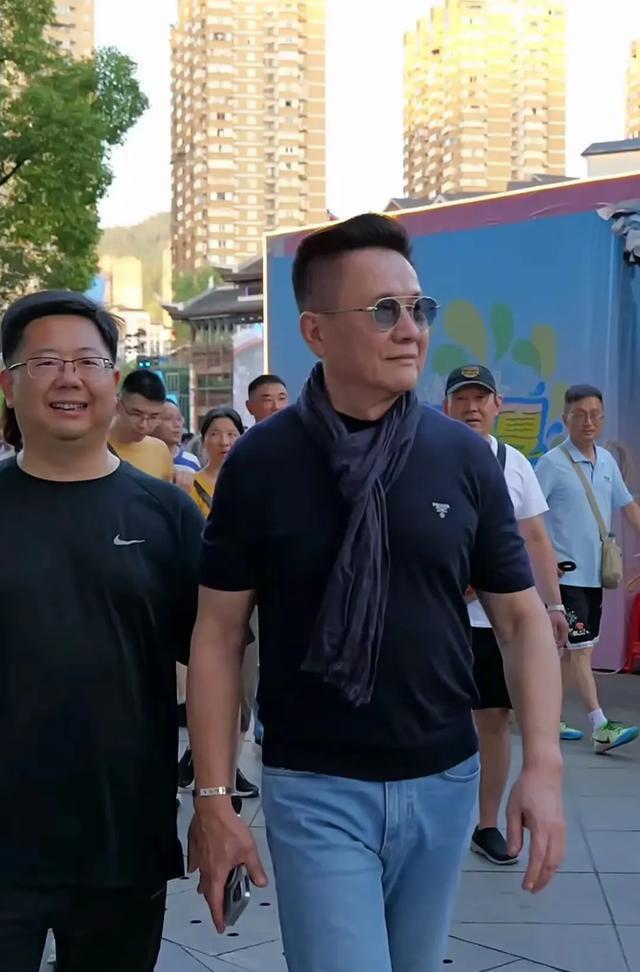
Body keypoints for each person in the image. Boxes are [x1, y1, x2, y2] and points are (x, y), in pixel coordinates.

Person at [186, 214, 565, 972]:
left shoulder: (462, 457)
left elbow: (521, 621)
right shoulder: (261, 464)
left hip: (444, 778)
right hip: (315, 784)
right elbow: (219, 635)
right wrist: (214, 797)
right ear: (316, 331)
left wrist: (544, 766)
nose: (410, 330)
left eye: (419, 309)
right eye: (383, 310)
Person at [0, 290, 203, 972]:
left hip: (122, 838)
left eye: (87, 362)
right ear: (8, 384)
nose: (70, 379)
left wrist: (215, 802)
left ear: (112, 381)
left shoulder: (168, 516)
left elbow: (212, 664)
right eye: (45, 362)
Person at [444, 364, 569, 866]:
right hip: (439, 619)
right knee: (434, 719)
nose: (471, 407)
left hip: (494, 624)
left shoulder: (514, 464)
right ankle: (430, 821)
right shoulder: (427, 456)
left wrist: (554, 605)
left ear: (497, 405)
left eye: (481, 398)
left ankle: (488, 823)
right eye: (462, 398)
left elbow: (536, 537)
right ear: (446, 407)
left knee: (494, 721)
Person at [536, 384, 640, 753]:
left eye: (595, 414)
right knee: (581, 651)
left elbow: (628, 507)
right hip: (565, 576)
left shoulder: (607, 462)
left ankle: (546, 718)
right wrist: (546, 558)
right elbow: (530, 516)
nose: (588, 421)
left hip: (596, 576)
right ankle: (600, 726)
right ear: (565, 419)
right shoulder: (551, 464)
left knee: (573, 651)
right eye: (580, 415)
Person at [180, 405, 259, 801]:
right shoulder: (185, 485)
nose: (224, 442)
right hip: (202, 599)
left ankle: (227, 768)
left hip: (250, 601)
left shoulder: (254, 485)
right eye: (215, 433)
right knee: (209, 687)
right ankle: (210, 772)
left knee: (243, 693)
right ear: (203, 438)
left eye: (231, 434)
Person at [109, 369, 174, 481]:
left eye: (153, 417)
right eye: (136, 414)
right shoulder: (93, 447)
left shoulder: (160, 450)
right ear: (118, 405)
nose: (144, 425)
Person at [155, 399, 200, 472]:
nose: (177, 424)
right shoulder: (142, 458)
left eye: (179, 419)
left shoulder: (192, 461)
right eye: (168, 418)